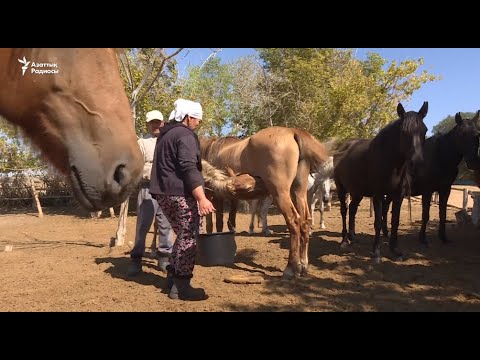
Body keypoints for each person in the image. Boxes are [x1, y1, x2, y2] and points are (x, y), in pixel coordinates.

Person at [150, 99, 215, 301]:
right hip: (179, 193)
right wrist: (201, 198)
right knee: (189, 237)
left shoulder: (165, 135)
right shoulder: (186, 135)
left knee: (182, 235)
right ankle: (182, 287)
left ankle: (172, 278)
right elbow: (188, 167)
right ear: (188, 117)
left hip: (162, 192)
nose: (198, 124)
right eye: (197, 120)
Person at [127, 110, 175, 277]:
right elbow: (135, 165)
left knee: (166, 225)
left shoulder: (169, 140)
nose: (155, 125)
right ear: (147, 124)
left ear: (163, 123)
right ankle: (136, 259)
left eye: (158, 122)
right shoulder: (141, 142)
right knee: (143, 225)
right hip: (148, 186)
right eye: (152, 122)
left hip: (166, 188)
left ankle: (164, 258)